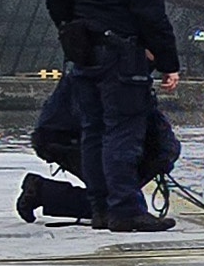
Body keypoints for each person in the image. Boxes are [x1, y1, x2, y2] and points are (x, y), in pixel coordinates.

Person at [43, 0, 182, 233]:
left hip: (84, 55)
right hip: (122, 56)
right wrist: (168, 62)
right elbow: (150, 11)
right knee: (123, 132)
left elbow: (56, 0)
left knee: (93, 131)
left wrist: (73, 33)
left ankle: (100, 209)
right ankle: (125, 210)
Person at [16, 77, 180, 225]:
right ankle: (43, 192)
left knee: (118, 201)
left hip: (59, 135)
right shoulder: (122, 71)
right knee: (118, 205)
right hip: (68, 138)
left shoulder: (95, 66)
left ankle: (45, 192)